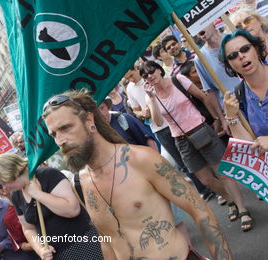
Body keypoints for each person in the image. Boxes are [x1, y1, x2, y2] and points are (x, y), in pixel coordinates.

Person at [42, 91, 232, 259]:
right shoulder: (80, 182)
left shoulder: (140, 159)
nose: (60, 141)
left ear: (89, 121)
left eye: (65, 128)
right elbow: (107, 241)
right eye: (54, 135)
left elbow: (201, 212)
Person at [141, 60, 254, 232]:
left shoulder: (177, 79)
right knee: (205, 179)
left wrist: (218, 119)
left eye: (151, 71)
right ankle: (229, 198)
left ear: (159, 70)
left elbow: (203, 97)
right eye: (145, 75)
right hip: (181, 139)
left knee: (221, 172)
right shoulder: (150, 95)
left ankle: (242, 208)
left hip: (201, 129)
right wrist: (151, 98)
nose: (150, 76)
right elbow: (157, 121)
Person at [125, 65, 215, 203]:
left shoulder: (157, 78)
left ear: (135, 68)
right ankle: (204, 190)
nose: (130, 79)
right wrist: (142, 113)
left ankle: (216, 184)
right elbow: (136, 110)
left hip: (181, 123)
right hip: (159, 128)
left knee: (202, 153)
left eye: (130, 75)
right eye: (127, 78)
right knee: (184, 162)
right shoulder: (130, 89)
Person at [0, 154, 104, 260]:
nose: (4, 187)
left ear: (11, 174)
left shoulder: (47, 175)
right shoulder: (16, 195)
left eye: (4, 182)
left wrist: (39, 195)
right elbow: (28, 229)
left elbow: (72, 210)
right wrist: (40, 249)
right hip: (56, 254)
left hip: (84, 243)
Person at [220, 29, 268, 154]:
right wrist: (231, 117)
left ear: (257, 49)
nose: (241, 56)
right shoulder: (239, 96)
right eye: (233, 56)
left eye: (245, 48)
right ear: (229, 64)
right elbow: (248, 149)